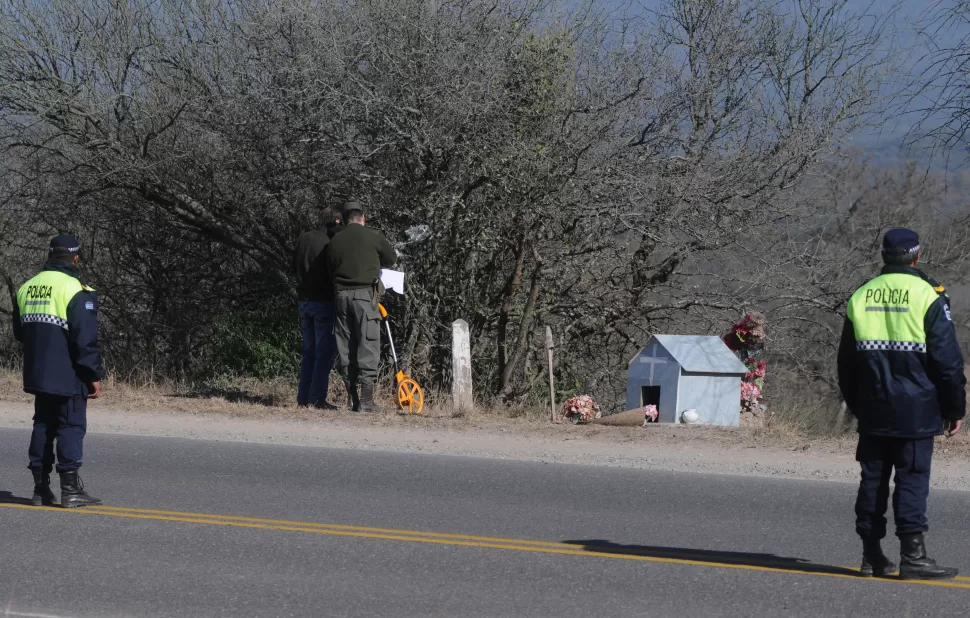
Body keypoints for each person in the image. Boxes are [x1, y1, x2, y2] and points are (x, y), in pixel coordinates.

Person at [838, 228, 966, 580]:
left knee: (872, 481)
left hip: (873, 407)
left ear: (883, 256)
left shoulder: (860, 296)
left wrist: (858, 405)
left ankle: (870, 556)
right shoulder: (927, 294)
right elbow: (948, 361)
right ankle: (913, 557)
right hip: (917, 409)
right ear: (916, 257)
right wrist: (955, 408)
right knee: (911, 480)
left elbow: (846, 364)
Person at [12, 234, 105, 508]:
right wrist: (93, 375)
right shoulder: (76, 290)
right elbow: (84, 340)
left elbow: (21, 333)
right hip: (69, 373)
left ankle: (40, 489)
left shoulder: (26, 287)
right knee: (71, 425)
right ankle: (70, 489)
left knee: (43, 424)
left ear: (50, 255)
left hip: (37, 372)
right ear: (75, 258)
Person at [326, 202, 396, 412]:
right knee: (368, 344)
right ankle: (366, 401)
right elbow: (391, 259)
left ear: (345, 220)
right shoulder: (374, 236)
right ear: (362, 217)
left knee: (345, 347)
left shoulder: (335, 240)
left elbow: (330, 269)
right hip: (365, 297)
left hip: (340, 297)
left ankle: (352, 398)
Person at [293, 207, 344, 409]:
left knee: (309, 351)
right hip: (322, 301)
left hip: (303, 300)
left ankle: (303, 397)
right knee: (324, 352)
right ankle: (317, 398)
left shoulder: (303, 239)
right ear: (337, 222)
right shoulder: (328, 244)